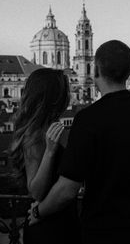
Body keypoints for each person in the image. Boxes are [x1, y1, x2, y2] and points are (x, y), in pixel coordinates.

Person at [28, 40, 130, 244]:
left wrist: (39, 212)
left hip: (101, 232)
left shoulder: (87, 119)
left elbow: (67, 190)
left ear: (96, 70)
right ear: (128, 73)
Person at [10, 68, 81, 244]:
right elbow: (35, 190)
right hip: (48, 225)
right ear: (55, 98)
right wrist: (50, 151)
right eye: (66, 91)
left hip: (59, 218)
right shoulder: (35, 134)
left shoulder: (50, 127)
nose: (70, 96)